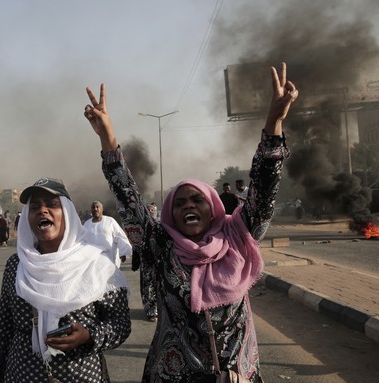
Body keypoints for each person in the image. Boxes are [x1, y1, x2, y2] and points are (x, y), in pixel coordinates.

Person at [83, 62, 298, 382]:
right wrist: (108, 137)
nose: (188, 206)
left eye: (197, 200)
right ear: (170, 213)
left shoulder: (238, 236)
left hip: (239, 375)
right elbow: (128, 199)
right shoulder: (160, 245)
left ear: (213, 208)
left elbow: (264, 188)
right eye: (179, 202)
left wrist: (274, 122)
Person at [0, 178, 131, 382]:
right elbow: (2, 329)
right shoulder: (16, 265)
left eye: (52, 205)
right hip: (21, 374)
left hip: (81, 376)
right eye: (35, 207)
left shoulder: (98, 264)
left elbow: (120, 324)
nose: (42, 211)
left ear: (68, 214)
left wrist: (89, 336)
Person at [83, 200, 132, 267]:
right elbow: (82, 240)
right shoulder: (87, 224)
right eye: (93, 207)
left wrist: (123, 252)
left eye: (97, 207)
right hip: (93, 260)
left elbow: (119, 236)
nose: (95, 209)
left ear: (102, 209)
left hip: (109, 258)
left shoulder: (110, 221)